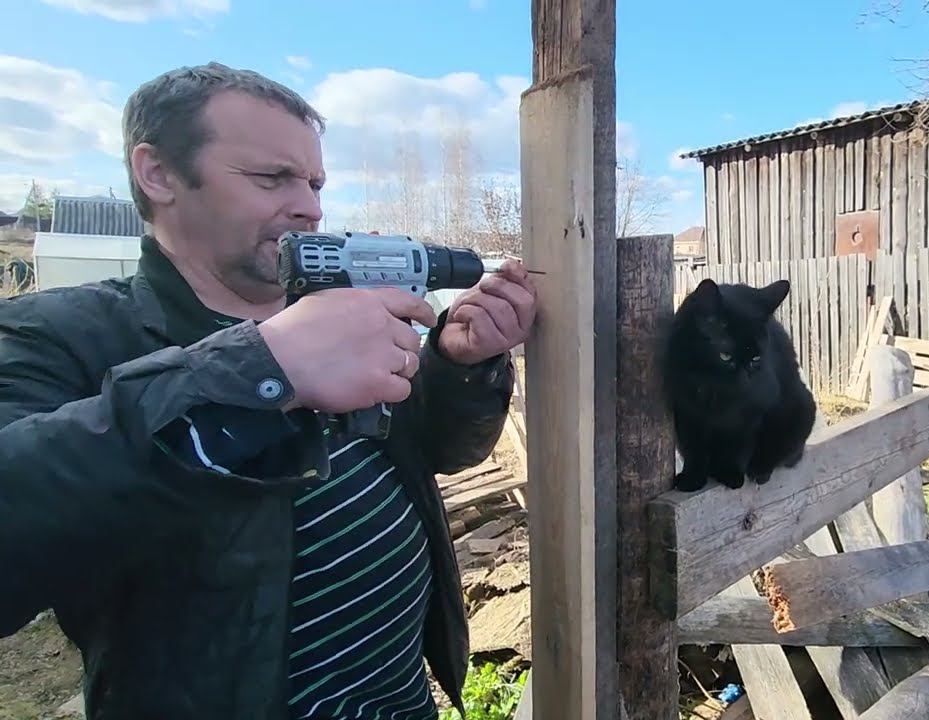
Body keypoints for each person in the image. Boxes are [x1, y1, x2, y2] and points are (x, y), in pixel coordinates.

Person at [0, 62, 536, 720]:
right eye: (271, 177)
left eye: (314, 183)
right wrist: (262, 367)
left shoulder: (335, 316)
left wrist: (458, 364)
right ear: (158, 173)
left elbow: (439, 453)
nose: (310, 206)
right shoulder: (59, 336)